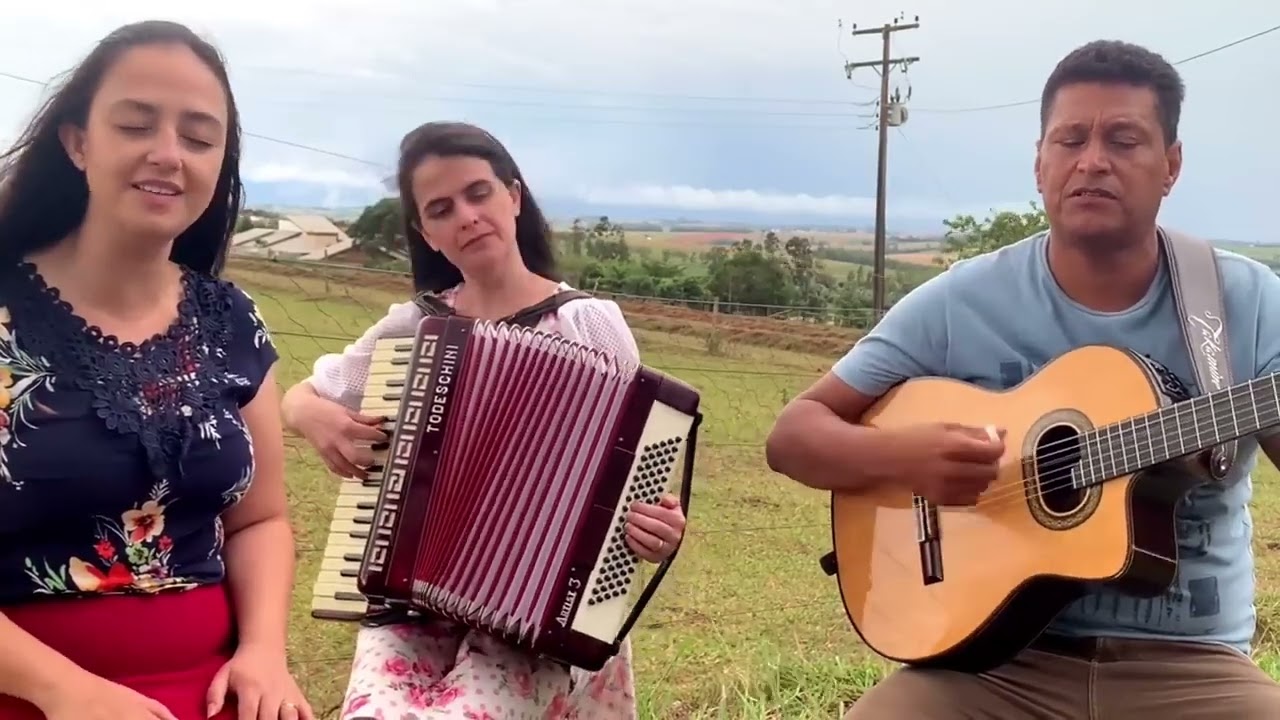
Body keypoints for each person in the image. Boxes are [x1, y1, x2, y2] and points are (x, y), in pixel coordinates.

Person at [765, 39, 1280, 718]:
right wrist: (906, 456)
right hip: (993, 670)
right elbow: (793, 436)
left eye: (1124, 140)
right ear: (1040, 162)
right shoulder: (962, 300)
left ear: (1171, 166)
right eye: (1070, 139)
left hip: (1193, 668)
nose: (1092, 161)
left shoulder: (1243, 301)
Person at [281, 120, 687, 719]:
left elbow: (637, 492)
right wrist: (318, 418)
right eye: (441, 208)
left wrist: (658, 526)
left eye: (479, 193)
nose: (467, 216)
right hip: (411, 605)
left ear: (514, 196)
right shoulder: (413, 328)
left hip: (544, 622)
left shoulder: (589, 324)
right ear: (427, 233)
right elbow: (298, 396)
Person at [0, 20, 313, 720]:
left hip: (213, 688)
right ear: (78, 142)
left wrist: (263, 651)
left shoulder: (231, 320)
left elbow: (260, 519)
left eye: (199, 138)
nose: (169, 154)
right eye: (137, 125)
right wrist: (65, 692)